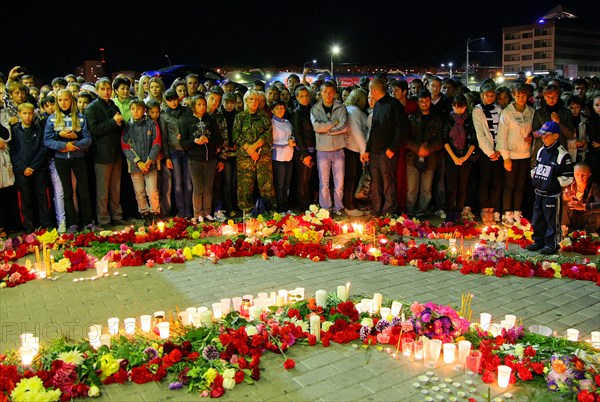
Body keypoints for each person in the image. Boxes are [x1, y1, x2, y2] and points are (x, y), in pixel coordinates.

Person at [44, 89, 94, 234]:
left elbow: (88, 139)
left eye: (66, 99)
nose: (63, 103)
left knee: (84, 191)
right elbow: (47, 140)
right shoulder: (52, 119)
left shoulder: (80, 117)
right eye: (60, 100)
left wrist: (74, 145)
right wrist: (63, 145)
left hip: (78, 158)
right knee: (67, 192)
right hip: (61, 160)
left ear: (71, 100)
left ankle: (88, 222)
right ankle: (72, 224)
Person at [361, 78, 407, 216]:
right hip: (375, 151)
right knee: (376, 182)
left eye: (370, 89)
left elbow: (402, 129)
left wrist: (393, 148)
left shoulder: (394, 105)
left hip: (387, 152)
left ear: (373, 90)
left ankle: (389, 211)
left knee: (388, 182)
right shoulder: (378, 105)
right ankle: (376, 210)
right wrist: (368, 150)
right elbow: (374, 129)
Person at [527, 121, 573, 255]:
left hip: (552, 196)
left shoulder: (562, 154)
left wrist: (553, 182)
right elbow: (536, 166)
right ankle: (538, 241)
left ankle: (551, 245)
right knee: (537, 219)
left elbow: (568, 177)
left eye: (546, 135)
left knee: (551, 222)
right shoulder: (541, 150)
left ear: (556, 136)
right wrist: (535, 176)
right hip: (538, 192)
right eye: (542, 135)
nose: (543, 138)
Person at [84, 78, 125, 228]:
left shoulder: (113, 105)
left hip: (116, 153)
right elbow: (94, 129)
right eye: (103, 89)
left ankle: (117, 216)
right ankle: (103, 219)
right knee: (103, 191)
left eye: (109, 89)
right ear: (97, 90)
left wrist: (120, 123)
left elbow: (120, 124)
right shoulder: (91, 108)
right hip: (101, 155)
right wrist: (113, 122)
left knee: (115, 189)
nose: (106, 92)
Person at [9, 103, 53, 233]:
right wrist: (23, 167)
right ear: (19, 114)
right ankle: (28, 228)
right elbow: (13, 151)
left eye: (30, 113)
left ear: (33, 114)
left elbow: (43, 148)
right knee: (25, 199)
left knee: (43, 198)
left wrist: (33, 167)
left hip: (39, 169)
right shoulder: (15, 131)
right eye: (24, 113)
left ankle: (47, 225)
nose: (27, 116)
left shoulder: (39, 129)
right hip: (21, 171)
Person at [496, 83, 535, 225]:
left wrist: (531, 136)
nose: (521, 98)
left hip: (525, 154)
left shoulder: (531, 111)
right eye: (518, 95)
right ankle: (507, 212)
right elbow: (501, 136)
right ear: (513, 95)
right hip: (511, 155)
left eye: (524, 95)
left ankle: (517, 212)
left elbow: (533, 129)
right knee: (509, 185)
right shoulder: (507, 113)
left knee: (520, 185)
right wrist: (506, 157)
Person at [232, 90, 276, 214]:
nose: (254, 101)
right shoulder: (240, 116)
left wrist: (256, 146)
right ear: (246, 101)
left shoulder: (264, 115)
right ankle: (246, 210)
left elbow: (268, 133)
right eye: (251, 99)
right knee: (245, 185)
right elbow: (236, 135)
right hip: (245, 157)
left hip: (263, 155)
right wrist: (250, 150)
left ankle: (268, 210)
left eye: (256, 99)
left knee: (266, 183)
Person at [121, 99, 162, 227]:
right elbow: (125, 146)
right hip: (135, 165)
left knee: (152, 191)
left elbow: (157, 143)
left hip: (150, 163)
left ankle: (155, 212)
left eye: (138, 109)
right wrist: (138, 162)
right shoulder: (128, 126)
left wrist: (149, 160)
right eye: (133, 109)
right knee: (139, 192)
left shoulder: (151, 124)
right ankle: (145, 213)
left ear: (144, 110)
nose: (136, 111)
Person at [310, 81, 348, 215]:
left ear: (335, 93)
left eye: (331, 92)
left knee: (339, 182)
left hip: (338, 149)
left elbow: (344, 126)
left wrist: (327, 130)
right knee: (324, 182)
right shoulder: (315, 109)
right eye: (325, 92)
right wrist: (333, 123)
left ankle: (338, 208)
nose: (328, 94)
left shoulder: (341, 108)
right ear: (320, 92)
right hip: (322, 150)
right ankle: (326, 208)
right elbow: (316, 127)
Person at [405, 89, 444, 218]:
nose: (424, 104)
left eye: (427, 101)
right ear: (418, 102)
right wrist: (417, 148)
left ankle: (421, 212)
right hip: (412, 157)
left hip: (430, 158)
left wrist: (428, 149)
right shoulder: (411, 118)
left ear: (430, 101)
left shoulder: (436, 119)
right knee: (412, 189)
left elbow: (440, 140)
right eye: (422, 101)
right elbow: (405, 138)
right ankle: (410, 212)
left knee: (426, 190)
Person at [443, 95, 478, 222]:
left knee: (462, 186)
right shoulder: (448, 119)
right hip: (451, 156)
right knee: (451, 186)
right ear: (453, 106)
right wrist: (454, 157)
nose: (459, 111)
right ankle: (450, 211)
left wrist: (464, 157)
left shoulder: (469, 120)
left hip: (466, 156)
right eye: (456, 107)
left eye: (461, 108)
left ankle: (458, 210)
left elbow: (473, 141)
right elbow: (445, 140)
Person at [473, 84, 504, 225]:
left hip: (499, 151)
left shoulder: (499, 110)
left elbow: (502, 131)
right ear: (482, 95)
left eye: (492, 95)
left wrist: (499, 150)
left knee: (497, 181)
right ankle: (485, 208)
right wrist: (490, 152)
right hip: (485, 152)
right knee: (485, 180)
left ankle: (493, 207)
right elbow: (480, 134)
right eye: (487, 95)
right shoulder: (477, 111)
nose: (489, 98)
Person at [159, 89, 192, 218]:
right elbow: (164, 136)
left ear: (178, 98)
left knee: (188, 182)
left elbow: (191, 128)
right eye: (169, 100)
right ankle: (181, 210)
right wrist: (166, 156)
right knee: (178, 182)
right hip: (173, 151)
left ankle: (189, 210)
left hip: (188, 150)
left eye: (174, 99)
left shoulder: (186, 111)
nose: (173, 102)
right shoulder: (164, 115)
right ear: (166, 101)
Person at [291, 85, 318, 212]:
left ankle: (309, 207)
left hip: (314, 150)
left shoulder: (312, 110)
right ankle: (303, 209)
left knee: (309, 181)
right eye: (301, 96)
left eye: (306, 95)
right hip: (303, 152)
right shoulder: (297, 112)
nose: (305, 98)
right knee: (303, 180)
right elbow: (298, 135)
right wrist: (305, 154)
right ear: (297, 97)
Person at [343, 88, 368, 217]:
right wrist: (364, 152)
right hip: (353, 149)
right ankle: (349, 205)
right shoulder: (355, 111)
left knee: (352, 178)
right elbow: (357, 132)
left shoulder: (349, 110)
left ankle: (351, 202)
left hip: (350, 148)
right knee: (352, 178)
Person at [561, 162, 600, 235]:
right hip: (572, 217)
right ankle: (565, 230)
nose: (580, 177)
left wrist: (584, 207)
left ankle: (589, 233)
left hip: (587, 218)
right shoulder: (568, 185)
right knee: (566, 203)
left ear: (589, 175)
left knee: (596, 210)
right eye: (577, 174)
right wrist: (565, 198)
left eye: (584, 174)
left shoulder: (594, 186)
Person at [270, 100, 294, 212]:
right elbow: (271, 142)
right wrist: (286, 143)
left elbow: (291, 135)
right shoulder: (272, 123)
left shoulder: (288, 122)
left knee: (287, 185)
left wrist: (292, 140)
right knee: (279, 185)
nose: (280, 110)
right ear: (272, 110)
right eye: (277, 108)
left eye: (282, 108)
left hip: (289, 157)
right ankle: (280, 209)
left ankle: (286, 207)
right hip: (278, 158)